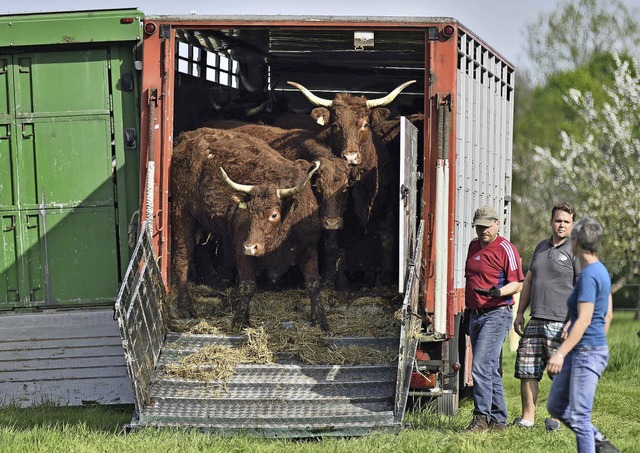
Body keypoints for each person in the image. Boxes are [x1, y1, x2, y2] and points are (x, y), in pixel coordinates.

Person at [546, 217, 618, 453]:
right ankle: (599, 440)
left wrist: (560, 353)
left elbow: (586, 319)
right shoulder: (600, 270)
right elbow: (607, 315)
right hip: (584, 349)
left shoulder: (589, 276)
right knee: (556, 405)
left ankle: (592, 441)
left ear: (575, 242)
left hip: (586, 352)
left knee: (579, 416)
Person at [512, 202, 579, 431]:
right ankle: (527, 419)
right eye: (558, 220)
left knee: (559, 372)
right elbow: (529, 280)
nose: (561, 225)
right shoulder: (540, 247)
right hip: (536, 318)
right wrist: (520, 312)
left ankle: (556, 419)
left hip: (561, 321)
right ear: (551, 222)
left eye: (566, 222)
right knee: (527, 370)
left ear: (572, 225)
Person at [464, 205, 525, 432]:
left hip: (497, 313)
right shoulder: (472, 246)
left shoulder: (506, 248)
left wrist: (498, 292)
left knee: (479, 366)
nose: (483, 231)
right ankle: (499, 420)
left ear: (497, 224)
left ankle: (481, 417)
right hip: (476, 314)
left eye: (487, 226)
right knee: (489, 368)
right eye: (479, 227)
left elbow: (518, 283)